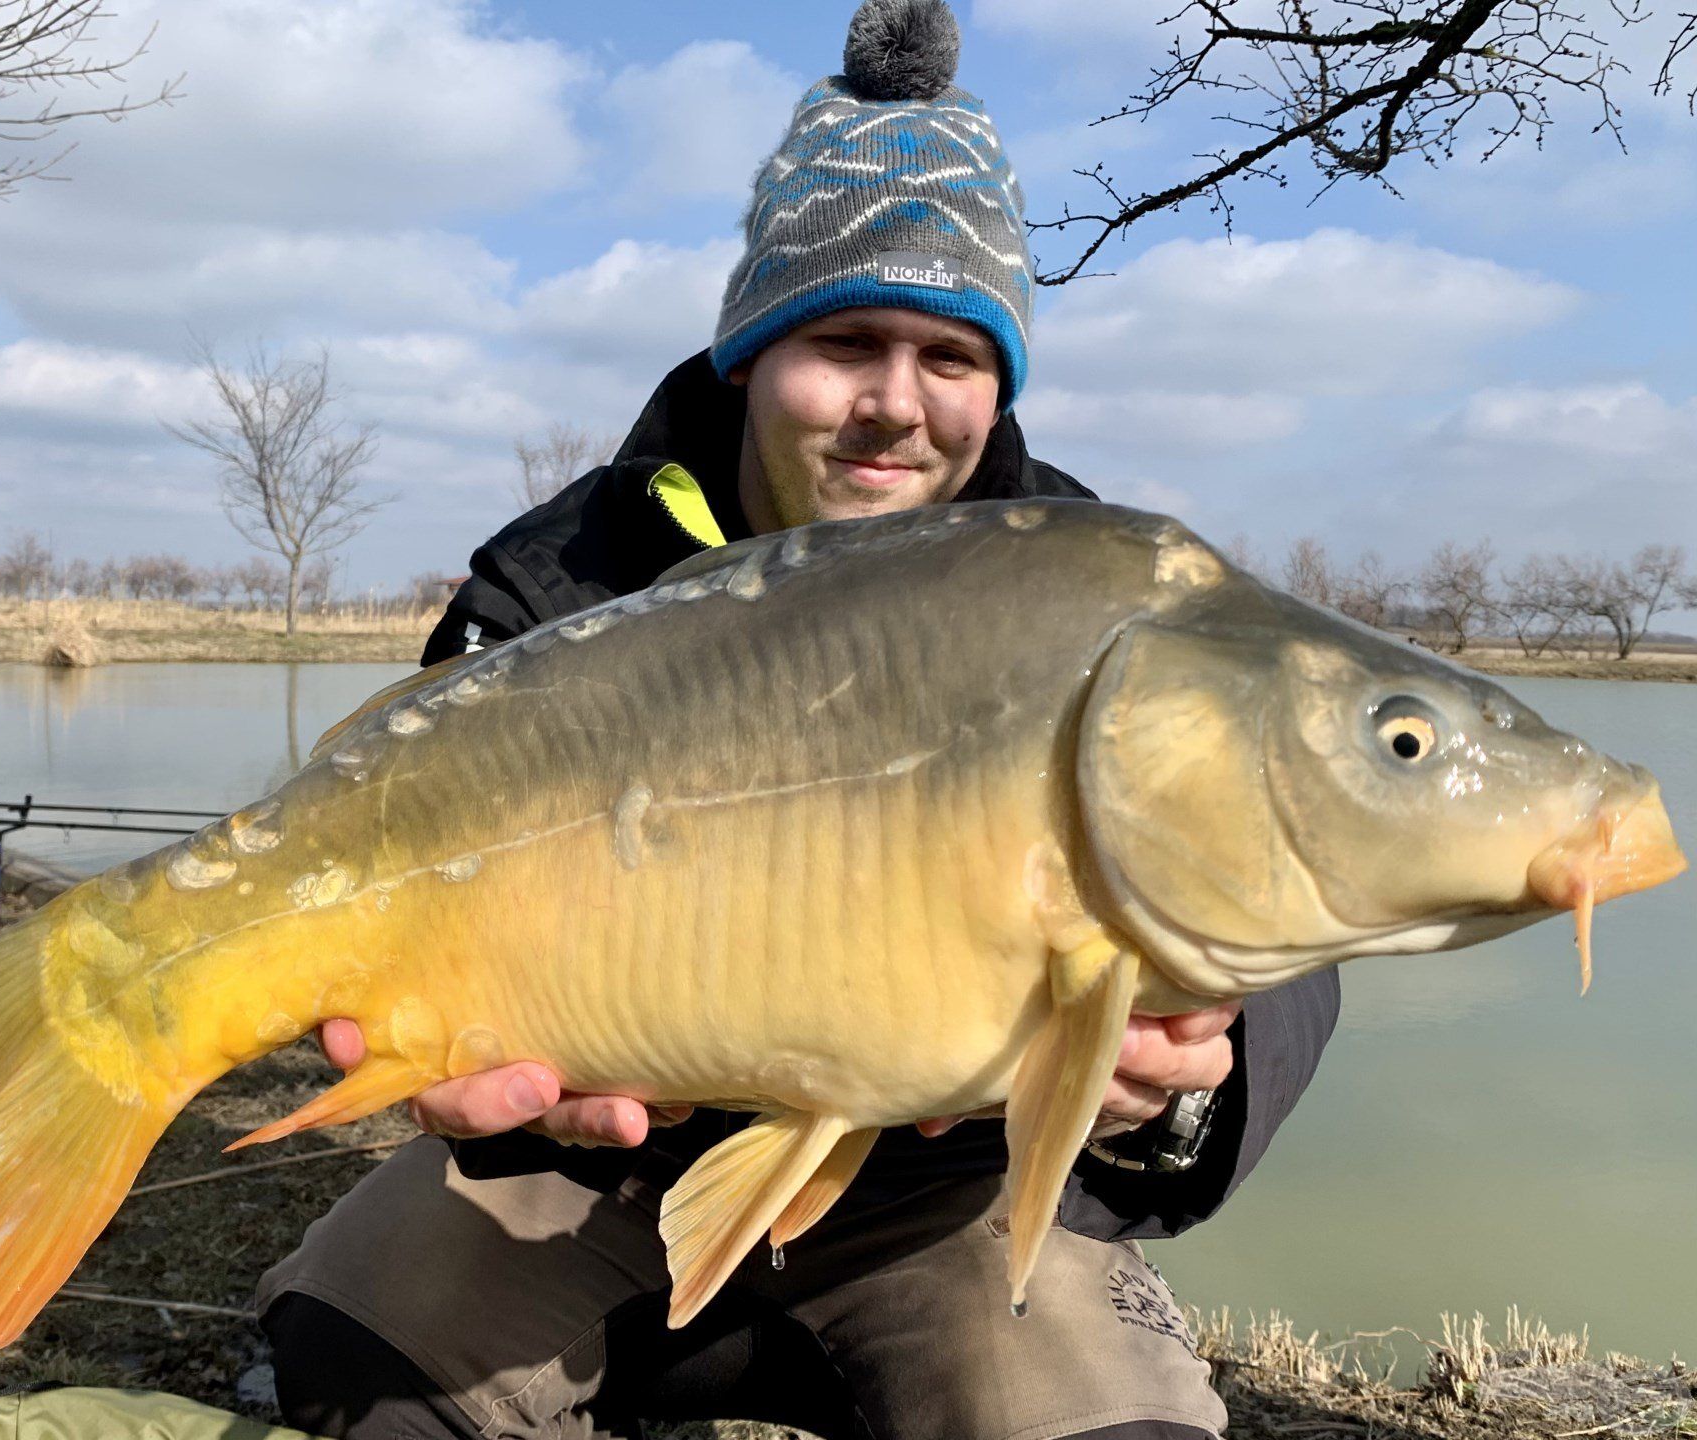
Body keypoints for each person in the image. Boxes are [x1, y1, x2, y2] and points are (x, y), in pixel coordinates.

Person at [258, 4, 1340, 1437]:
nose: (897, 405)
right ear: (752, 355)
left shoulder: (1099, 586)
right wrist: (460, 1074)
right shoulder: (563, 576)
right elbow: (406, 871)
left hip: (948, 1201)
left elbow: (1296, 891)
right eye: (844, 341)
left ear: (998, 384)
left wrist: (1195, 1076)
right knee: (352, 1365)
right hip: (595, 1174)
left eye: (953, 358)